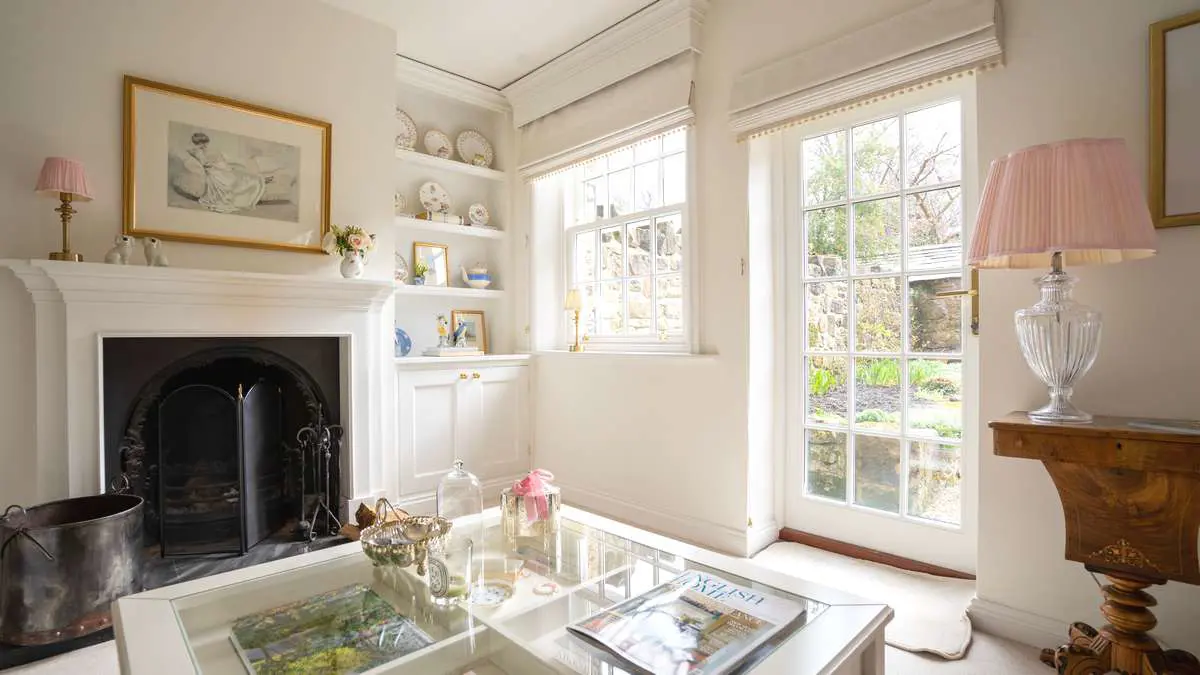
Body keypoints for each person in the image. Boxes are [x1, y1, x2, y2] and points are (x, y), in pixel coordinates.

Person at [187, 132, 268, 214]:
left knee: (239, 177)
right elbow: (204, 162)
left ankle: (261, 179)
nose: (203, 145)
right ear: (196, 143)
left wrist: (221, 166)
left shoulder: (210, 151)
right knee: (230, 180)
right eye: (200, 143)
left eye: (205, 143)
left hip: (218, 170)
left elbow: (220, 162)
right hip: (213, 174)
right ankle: (261, 179)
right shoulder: (197, 152)